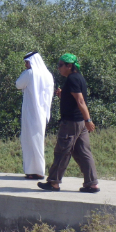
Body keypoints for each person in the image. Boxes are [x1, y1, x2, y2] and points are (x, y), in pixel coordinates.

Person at [37, 53, 100, 193]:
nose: (58, 68)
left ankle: (54, 182)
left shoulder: (72, 79)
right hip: (79, 123)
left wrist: (88, 120)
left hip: (71, 122)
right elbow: (74, 98)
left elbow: (80, 101)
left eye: (60, 65)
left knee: (62, 151)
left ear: (69, 66)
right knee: (84, 152)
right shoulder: (78, 78)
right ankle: (92, 183)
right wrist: (63, 93)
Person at [16, 51, 54, 179]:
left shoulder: (30, 73)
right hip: (43, 113)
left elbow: (18, 84)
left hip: (31, 112)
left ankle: (35, 171)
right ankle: (37, 170)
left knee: (29, 141)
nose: (26, 65)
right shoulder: (48, 74)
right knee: (38, 140)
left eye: (27, 62)